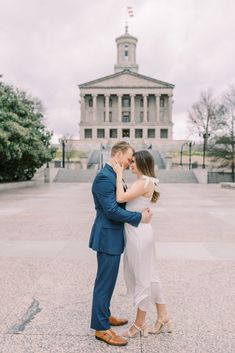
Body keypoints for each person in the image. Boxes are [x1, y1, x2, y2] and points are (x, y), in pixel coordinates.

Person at [89, 141, 152, 347]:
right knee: (104, 282)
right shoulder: (104, 177)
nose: (129, 162)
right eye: (128, 158)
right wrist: (138, 217)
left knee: (108, 281)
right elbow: (111, 211)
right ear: (117, 154)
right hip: (107, 237)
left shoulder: (112, 175)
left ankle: (104, 316)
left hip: (113, 236)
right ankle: (101, 328)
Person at [110, 150, 172, 338]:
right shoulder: (146, 181)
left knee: (143, 279)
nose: (131, 164)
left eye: (135, 162)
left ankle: (139, 324)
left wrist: (119, 174)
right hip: (139, 232)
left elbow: (120, 198)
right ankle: (163, 317)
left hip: (139, 235)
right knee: (151, 276)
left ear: (143, 164)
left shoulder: (143, 181)